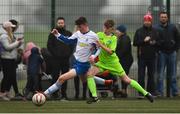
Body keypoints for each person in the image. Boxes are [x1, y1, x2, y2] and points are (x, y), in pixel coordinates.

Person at [43, 17, 112, 102]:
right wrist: (57, 35)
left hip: (83, 65)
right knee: (86, 78)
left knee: (61, 78)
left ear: (85, 25)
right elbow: (68, 41)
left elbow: (99, 48)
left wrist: (93, 56)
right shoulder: (78, 33)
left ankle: (44, 94)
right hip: (77, 62)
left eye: (80, 27)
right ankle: (105, 82)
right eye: (78, 27)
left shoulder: (93, 36)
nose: (79, 29)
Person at [86, 19, 154, 104]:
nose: (105, 29)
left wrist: (101, 45)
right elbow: (93, 44)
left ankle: (146, 93)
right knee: (89, 74)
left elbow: (110, 52)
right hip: (102, 63)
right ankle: (94, 97)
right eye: (104, 27)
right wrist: (93, 48)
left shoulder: (113, 38)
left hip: (113, 63)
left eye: (107, 28)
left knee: (126, 80)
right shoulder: (99, 34)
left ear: (111, 29)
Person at [133, 13, 159, 98]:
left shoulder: (155, 31)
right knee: (141, 75)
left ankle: (150, 92)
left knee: (151, 75)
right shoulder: (139, 31)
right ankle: (141, 93)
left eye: (149, 21)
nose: (147, 22)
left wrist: (154, 42)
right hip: (142, 57)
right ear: (143, 21)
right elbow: (135, 43)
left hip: (152, 57)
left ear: (151, 22)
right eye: (146, 21)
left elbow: (159, 43)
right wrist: (144, 41)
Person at [155, 11, 180, 97]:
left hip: (172, 53)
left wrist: (176, 50)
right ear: (159, 18)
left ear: (167, 18)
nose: (163, 18)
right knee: (160, 74)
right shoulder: (156, 28)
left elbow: (178, 39)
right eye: (162, 17)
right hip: (161, 53)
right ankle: (160, 93)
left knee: (173, 74)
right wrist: (158, 50)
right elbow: (155, 41)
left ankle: (175, 92)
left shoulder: (173, 27)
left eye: (165, 17)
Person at [47, 17, 73, 100]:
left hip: (65, 59)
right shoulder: (52, 34)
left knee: (65, 77)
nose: (61, 24)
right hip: (55, 59)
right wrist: (55, 55)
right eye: (59, 23)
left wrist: (68, 54)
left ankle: (64, 95)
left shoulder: (69, 33)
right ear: (56, 24)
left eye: (62, 23)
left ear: (64, 24)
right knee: (55, 76)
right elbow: (49, 46)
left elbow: (72, 45)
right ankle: (54, 94)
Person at [0, 21, 23, 100]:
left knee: (11, 76)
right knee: (6, 76)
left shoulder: (11, 35)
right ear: (7, 28)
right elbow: (7, 47)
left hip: (12, 59)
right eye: (11, 26)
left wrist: (19, 42)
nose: (13, 28)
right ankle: (2, 94)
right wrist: (17, 43)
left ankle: (6, 92)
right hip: (6, 59)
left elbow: (13, 47)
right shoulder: (4, 36)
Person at [116, 24, 133, 98]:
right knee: (123, 76)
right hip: (124, 60)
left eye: (118, 30)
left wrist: (115, 56)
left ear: (122, 32)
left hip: (126, 60)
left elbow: (123, 50)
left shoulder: (125, 38)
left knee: (124, 76)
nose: (116, 32)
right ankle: (123, 90)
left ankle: (124, 91)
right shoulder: (121, 38)